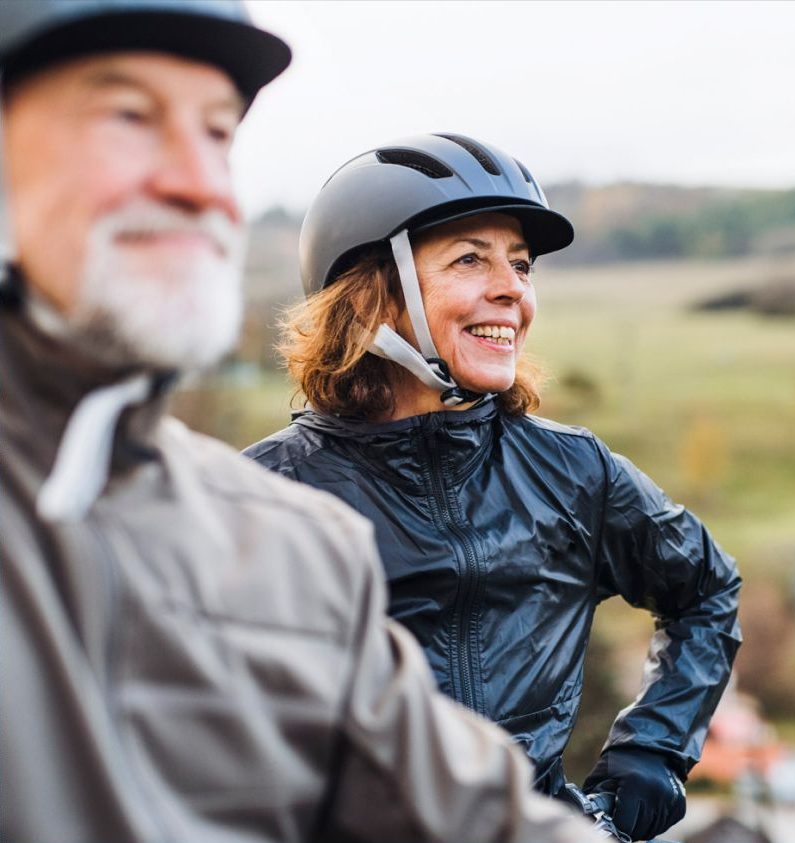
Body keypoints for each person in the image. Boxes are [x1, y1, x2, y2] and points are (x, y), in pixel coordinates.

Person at [0, 4, 601, 842]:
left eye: (218, 135)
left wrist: (644, 772)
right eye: (129, 117)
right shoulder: (286, 484)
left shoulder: (291, 547)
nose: (199, 183)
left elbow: (467, 818)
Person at [245, 133, 744, 842]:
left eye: (519, 264)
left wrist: (651, 753)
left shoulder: (575, 473)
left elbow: (706, 589)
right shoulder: (259, 498)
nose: (512, 289)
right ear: (372, 295)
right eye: (470, 259)